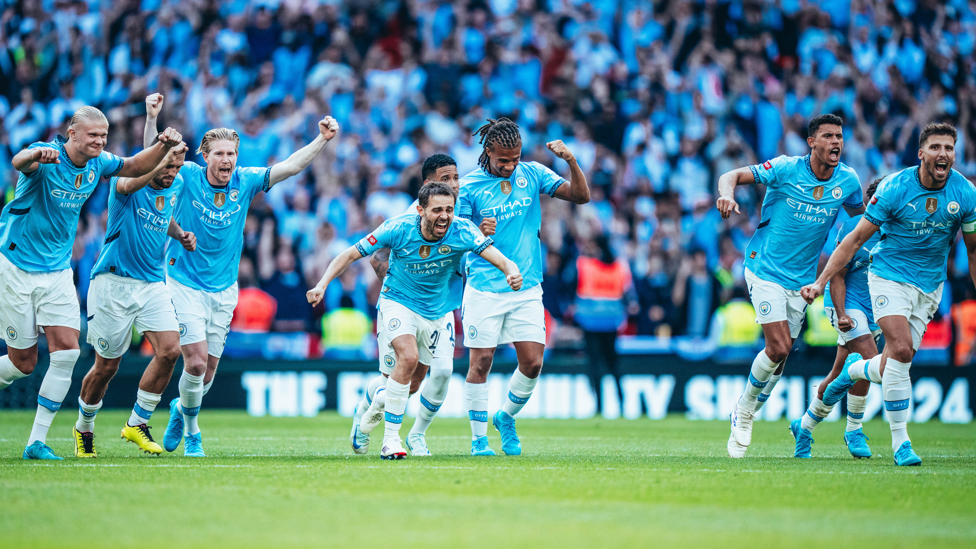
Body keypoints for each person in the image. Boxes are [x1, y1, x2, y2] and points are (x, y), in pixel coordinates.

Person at [141, 93, 339, 457]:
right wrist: (152, 119)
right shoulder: (185, 176)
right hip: (183, 283)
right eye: (219, 153)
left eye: (231, 154)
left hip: (224, 288)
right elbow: (150, 161)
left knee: (209, 372)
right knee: (195, 362)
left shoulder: (245, 181)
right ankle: (193, 432)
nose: (227, 160)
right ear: (205, 156)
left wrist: (321, 140)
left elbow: (291, 166)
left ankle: (178, 409)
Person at [0, 105, 184, 460]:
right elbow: (20, 162)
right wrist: (34, 153)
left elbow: (133, 165)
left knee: (67, 352)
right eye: (93, 135)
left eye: (104, 135)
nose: (100, 141)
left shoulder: (99, 164)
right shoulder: (47, 156)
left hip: (56, 271)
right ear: (72, 134)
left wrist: (162, 145)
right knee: (22, 363)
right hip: (16, 267)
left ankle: (35, 442)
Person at [307, 183, 522, 460]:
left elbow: (499, 258)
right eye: (437, 210)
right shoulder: (398, 228)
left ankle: (369, 407)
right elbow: (350, 254)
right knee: (407, 358)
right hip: (397, 302)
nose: (445, 216)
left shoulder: (463, 230)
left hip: (435, 312)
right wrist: (322, 284)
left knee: (412, 384)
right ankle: (390, 440)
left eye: (449, 209)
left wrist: (511, 270)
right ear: (420, 210)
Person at [804, 123, 976, 466]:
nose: (943, 154)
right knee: (898, 350)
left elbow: (973, 251)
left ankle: (852, 374)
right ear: (921, 153)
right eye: (936, 147)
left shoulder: (966, 194)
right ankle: (901, 444)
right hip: (887, 279)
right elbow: (852, 243)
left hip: (928, 287)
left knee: (899, 360)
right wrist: (821, 282)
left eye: (949, 148)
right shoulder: (895, 188)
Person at [715, 113, 864, 459]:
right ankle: (744, 409)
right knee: (779, 347)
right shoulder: (784, 168)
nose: (836, 143)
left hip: (802, 282)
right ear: (811, 143)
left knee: (778, 364)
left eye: (840, 136)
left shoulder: (849, 180)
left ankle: (750, 405)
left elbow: (860, 228)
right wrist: (726, 195)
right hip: (763, 268)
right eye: (828, 136)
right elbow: (731, 175)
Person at [457, 117, 590, 456]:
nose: (510, 165)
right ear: (488, 150)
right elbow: (452, 236)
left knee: (532, 363)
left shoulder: (531, 174)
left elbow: (580, 196)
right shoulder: (469, 187)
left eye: (515, 158)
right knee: (481, 362)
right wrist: (477, 230)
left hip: (527, 286)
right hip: (485, 286)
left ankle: (505, 416)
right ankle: (478, 440)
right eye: (504, 159)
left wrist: (571, 161)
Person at [73, 140, 197, 457]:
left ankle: (137, 423)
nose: (172, 173)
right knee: (107, 367)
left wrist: (180, 233)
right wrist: (156, 155)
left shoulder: (177, 182)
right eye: (168, 166)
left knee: (170, 351)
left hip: (152, 282)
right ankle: (84, 427)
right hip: (112, 282)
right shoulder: (125, 184)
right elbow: (133, 180)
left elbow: (163, 211)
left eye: (177, 167)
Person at [348, 153, 465, 456]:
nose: (454, 184)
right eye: (446, 179)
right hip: (405, 305)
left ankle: (417, 435)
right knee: (402, 374)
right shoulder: (409, 218)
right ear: (428, 185)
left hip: (443, 307)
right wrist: (408, 293)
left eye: (455, 178)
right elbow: (376, 257)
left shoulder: (459, 212)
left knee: (436, 375)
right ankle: (371, 413)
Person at [789, 177, 885, 459]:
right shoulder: (857, 227)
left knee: (838, 375)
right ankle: (854, 429)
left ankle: (803, 428)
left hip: (877, 310)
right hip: (846, 303)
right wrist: (842, 314)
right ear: (875, 201)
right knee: (869, 359)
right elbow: (838, 275)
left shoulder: (898, 231)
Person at [572, 235, 636, 414]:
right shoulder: (619, 266)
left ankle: (599, 405)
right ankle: (621, 402)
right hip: (612, 321)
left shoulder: (584, 264)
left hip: (590, 320)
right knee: (613, 364)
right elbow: (628, 294)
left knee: (595, 364)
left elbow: (571, 282)